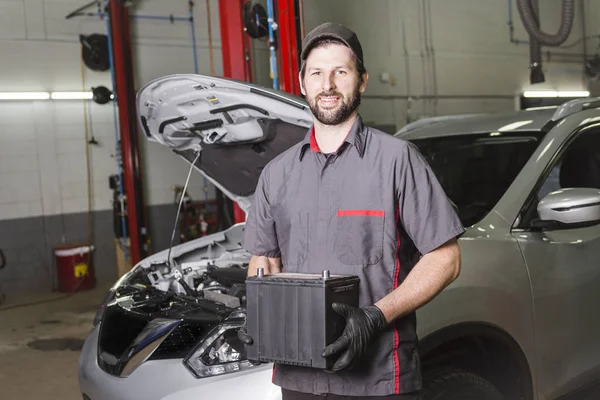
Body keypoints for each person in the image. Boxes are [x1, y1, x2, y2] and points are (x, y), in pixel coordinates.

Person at [240, 22, 465, 400]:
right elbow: (264, 260)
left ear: (361, 81)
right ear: (302, 83)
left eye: (340, 72)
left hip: (377, 377)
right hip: (300, 377)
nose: (327, 84)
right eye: (317, 73)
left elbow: (447, 259)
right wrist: (259, 315)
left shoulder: (397, 161)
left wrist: (376, 315)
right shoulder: (276, 174)